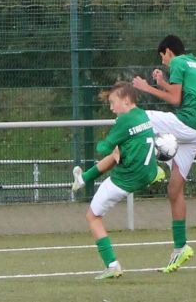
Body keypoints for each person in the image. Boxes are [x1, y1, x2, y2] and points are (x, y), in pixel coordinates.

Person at [129, 35, 196, 273]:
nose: (163, 62)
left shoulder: (178, 63)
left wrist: (147, 88)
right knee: (175, 190)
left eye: (162, 56)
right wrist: (163, 82)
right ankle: (180, 247)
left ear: (169, 51)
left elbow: (175, 99)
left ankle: (151, 170)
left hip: (186, 124)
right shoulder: (195, 62)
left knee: (140, 118)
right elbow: (183, 94)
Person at [70, 81, 163, 280]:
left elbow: (102, 148)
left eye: (113, 103)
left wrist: (109, 144)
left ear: (127, 101)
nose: (111, 108)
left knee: (92, 217)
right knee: (117, 154)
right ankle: (83, 179)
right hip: (147, 173)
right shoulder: (142, 115)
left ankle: (112, 265)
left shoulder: (124, 121)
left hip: (126, 179)